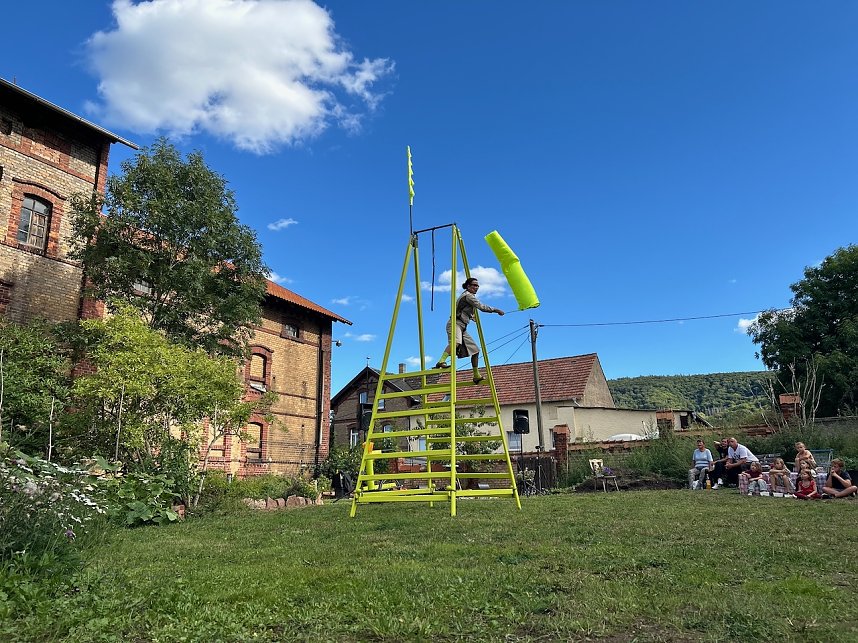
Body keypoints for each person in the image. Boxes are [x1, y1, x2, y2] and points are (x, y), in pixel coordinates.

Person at [434, 277, 505, 383]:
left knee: (476, 351)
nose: (476, 287)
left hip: (462, 326)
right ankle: (441, 361)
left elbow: (462, 309)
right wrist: (496, 310)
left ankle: (476, 375)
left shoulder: (466, 296)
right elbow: (481, 307)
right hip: (455, 323)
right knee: (456, 342)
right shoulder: (468, 296)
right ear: (468, 286)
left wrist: (471, 317)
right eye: (474, 285)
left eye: (477, 286)